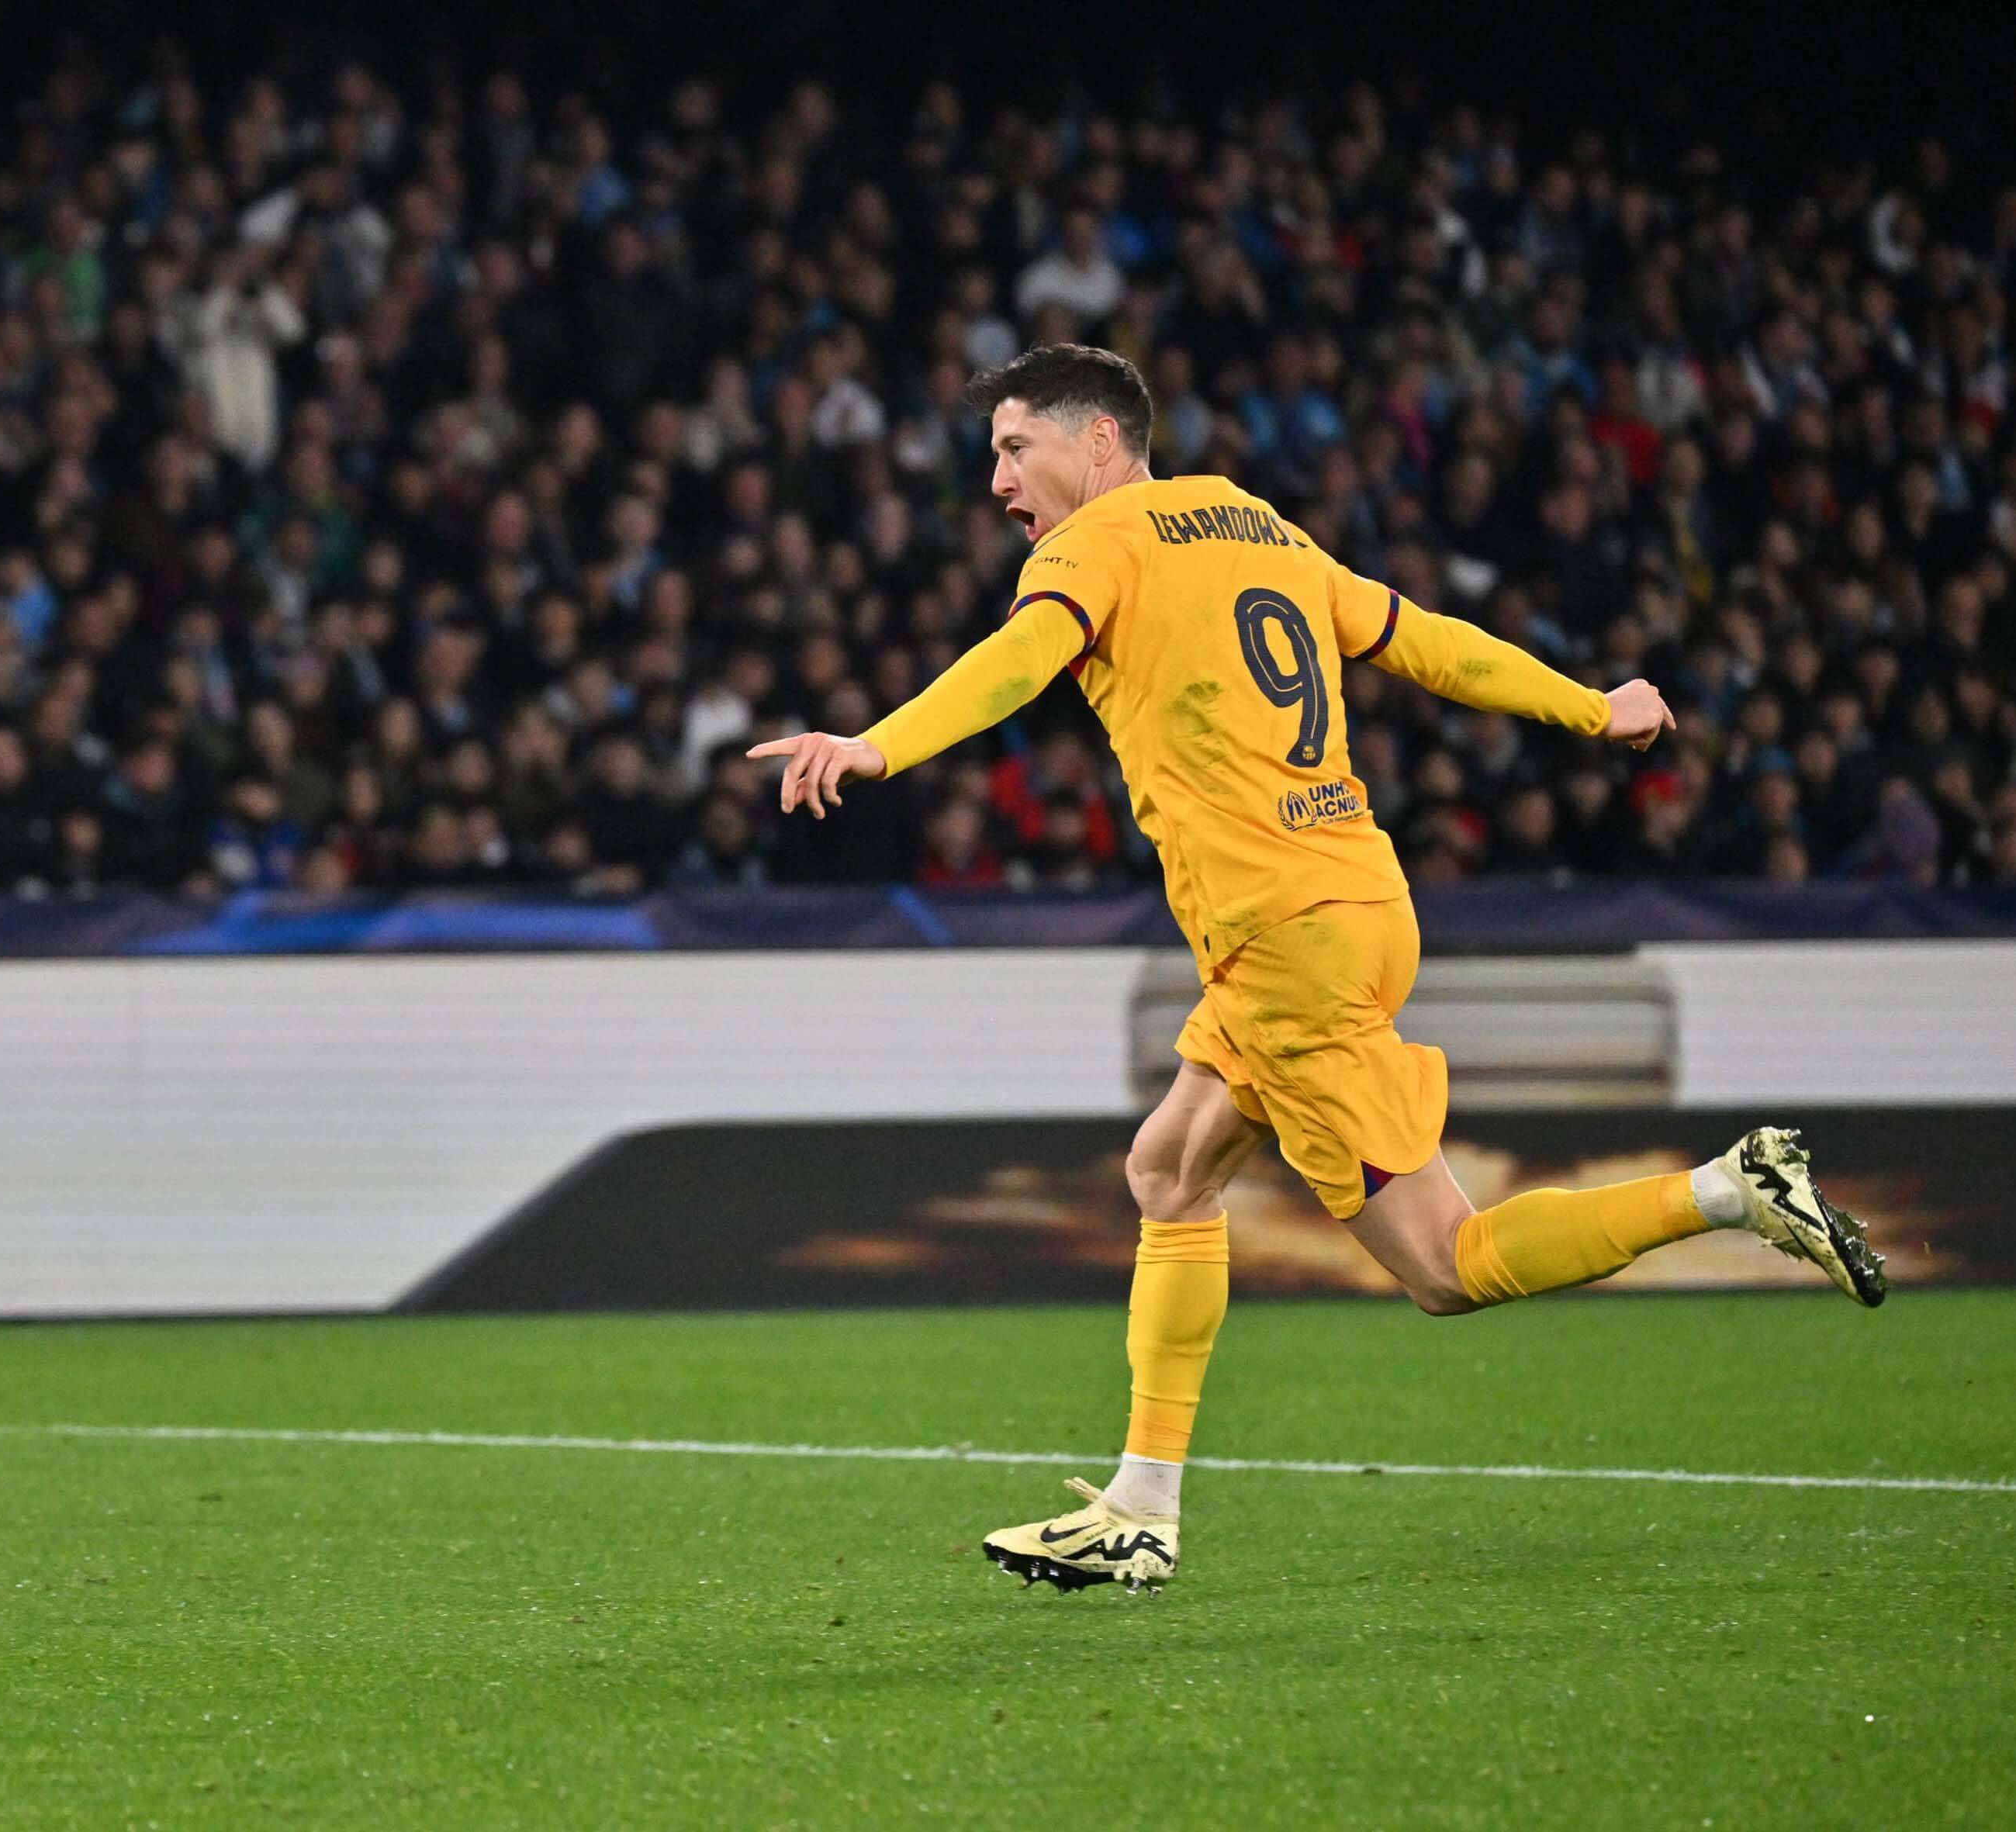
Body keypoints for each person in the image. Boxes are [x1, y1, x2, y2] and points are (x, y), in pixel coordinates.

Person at [751, 344, 1885, 1595]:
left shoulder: (1088, 548)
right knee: (1169, 1169)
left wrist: (879, 745)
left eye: (1016, 447)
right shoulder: (1255, 522)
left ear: (1101, 441)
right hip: (1354, 902)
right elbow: (1424, 641)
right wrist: (1586, 704)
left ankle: (1729, 1188)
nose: (998, 479)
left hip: (1283, 940)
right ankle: (1141, 1504)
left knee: (1446, 1264)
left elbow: (1017, 663)